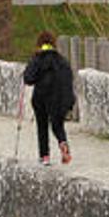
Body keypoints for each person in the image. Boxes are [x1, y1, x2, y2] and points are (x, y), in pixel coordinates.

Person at [23, 31, 75, 166]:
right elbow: (68, 81)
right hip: (57, 98)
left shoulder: (37, 59)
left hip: (40, 97)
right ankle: (63, 143)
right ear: (53, 44)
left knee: (42, 126)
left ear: (39, 44)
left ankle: (44, 156)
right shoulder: (62, 60)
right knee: (58, 125)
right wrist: (69, 102)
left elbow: (28, 79)